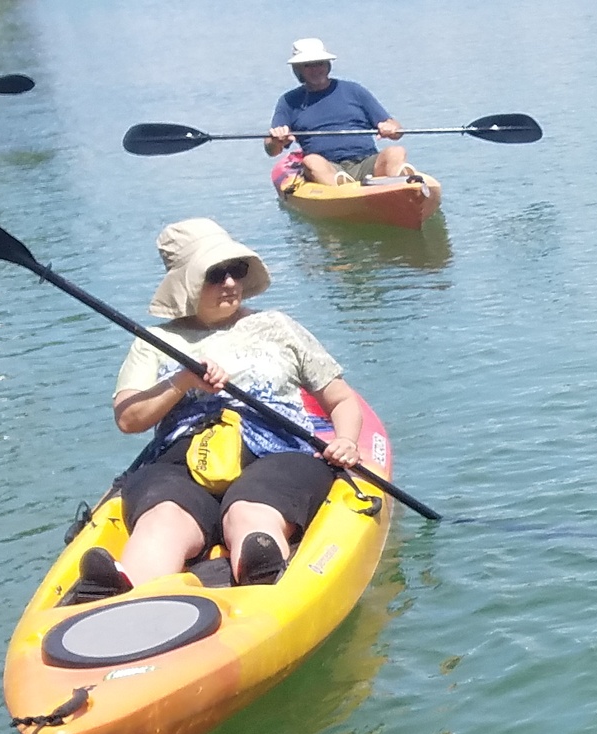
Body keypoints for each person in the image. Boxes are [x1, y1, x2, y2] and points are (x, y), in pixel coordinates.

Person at [66, 220, 370, 604]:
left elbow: (341, 400)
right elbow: (129, 419)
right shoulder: (156, 341)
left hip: (277, 451)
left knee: (249, 508)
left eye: (236, 270)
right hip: (182, 459)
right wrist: (182, 382)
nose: (230, 283)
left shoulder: (277, 326)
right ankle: (124, 593)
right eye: (215, 274)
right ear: (188, 284)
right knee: (164, 516)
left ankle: (262, 571)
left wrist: (345, 441)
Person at [263, 38, 416, 187]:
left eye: (320, 63)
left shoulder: (354, 91)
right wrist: (276, 139)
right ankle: (343, 189)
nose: (316, 70)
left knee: (396, 151)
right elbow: (272, 150)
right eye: (308, 65)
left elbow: (396, 130)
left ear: (327, 65)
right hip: (327, 167)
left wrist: (391, 128)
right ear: (298, 69)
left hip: (366, 162)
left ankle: (404, 184)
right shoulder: (289, 101)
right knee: (311, 162)